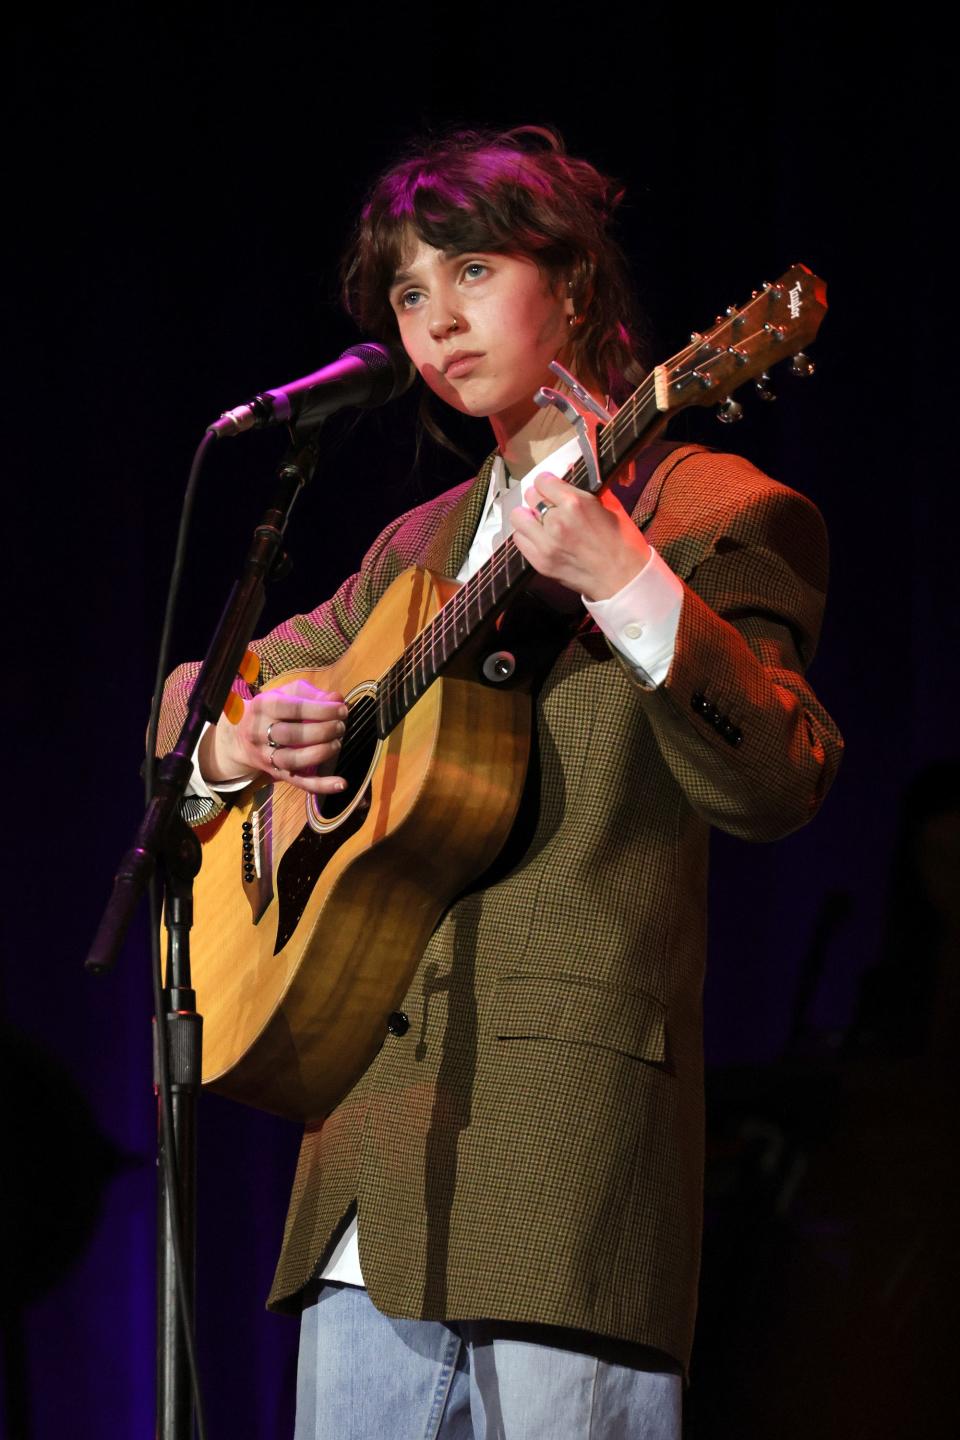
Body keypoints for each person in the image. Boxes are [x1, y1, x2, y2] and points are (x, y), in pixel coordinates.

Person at [159, 126, 843, 1439]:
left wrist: (629, 583)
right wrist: (238, 743)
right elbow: (193, 689)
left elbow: (784, 775)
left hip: (562, 1164)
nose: (435, 323)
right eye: (410, 295)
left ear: (576, 286)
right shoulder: (411, 549)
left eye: (469, 272)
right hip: (364, 1178)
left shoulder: (715, 508)